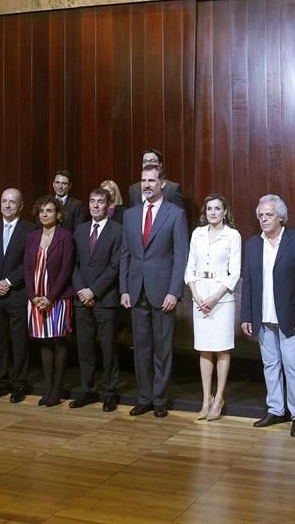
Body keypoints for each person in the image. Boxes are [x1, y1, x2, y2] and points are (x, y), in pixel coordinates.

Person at [120, 163, 189, 418]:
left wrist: (174, 291)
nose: (146, 185)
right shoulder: (130, 214)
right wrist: (124, 288)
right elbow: (125, 253)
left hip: (163, 292)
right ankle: (144, 398)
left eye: (151, 180)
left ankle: (160, 398)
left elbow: (181, 256)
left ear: (162, 183)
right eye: (143, 180)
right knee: (141, 348)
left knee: (162, 348)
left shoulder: (176, 214)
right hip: (136, 290)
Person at [241, 195, 295, 437]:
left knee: (292, 363)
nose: (263, 219)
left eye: (268, 214)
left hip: (290, 316)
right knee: (270, 364)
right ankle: (275, 409)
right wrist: (246, 316)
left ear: (280, 216)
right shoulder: (252, 244)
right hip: (263, 318)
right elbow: (248, 282)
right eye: (260, 215)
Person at [185, 193, 241, 421]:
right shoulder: (197, 234)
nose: (213, 213)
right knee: (204, 349)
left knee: (221, 349)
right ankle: (205, 399)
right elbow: (189, 268)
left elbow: (235, 272)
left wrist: (216, 297)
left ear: (225, 211)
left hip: (221, 298)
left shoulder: (233, 236)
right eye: (209, 209)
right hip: (200, 296)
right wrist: (197, 296)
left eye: (217, 209)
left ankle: (219, 398)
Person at [0, 188, 37, 404]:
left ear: (20, 206)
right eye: (4, 201)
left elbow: (29, 262)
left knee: (20, 341)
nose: (7, 205)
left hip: (16, 294)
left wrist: (9, 282)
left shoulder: (30, 230)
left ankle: (20, 383)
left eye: (12, 202)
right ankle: (0, 382)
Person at [70, 188, 123, 412]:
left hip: (105, 300)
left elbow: (115, 266)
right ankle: (87, 390)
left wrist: (94, 291)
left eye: (100, 202)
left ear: (108, 205)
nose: (95, 206)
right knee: (85, 348)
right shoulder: (80, 230)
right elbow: (74, 265)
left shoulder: (117, 230)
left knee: (108, 348)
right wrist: (82, 289)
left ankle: (110, 391)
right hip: (82, 300)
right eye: (92, 201)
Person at [24, 196, 74, 407]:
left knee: (58, 341)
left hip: (58, 297)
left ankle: (57, 390)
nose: (45, 214)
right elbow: (26, 267)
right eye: (42, 211)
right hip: (36, 298)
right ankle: (47, 387)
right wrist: (33, 296)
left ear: (58, 214)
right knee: (44, 341)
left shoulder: (65, 236)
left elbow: (66, 269)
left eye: (49, 211)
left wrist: (50, 297)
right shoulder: (31, 237)